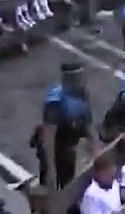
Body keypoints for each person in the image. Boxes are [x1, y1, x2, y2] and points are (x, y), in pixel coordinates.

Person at [35, 61, 96, 189]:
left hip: (69, 143)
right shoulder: (55, 101)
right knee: (50, 185)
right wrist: (51, 168)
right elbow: (49, 137)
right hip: (57, 146)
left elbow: (87, 120)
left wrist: (94, 150)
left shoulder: (82, 93)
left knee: (68, 182)